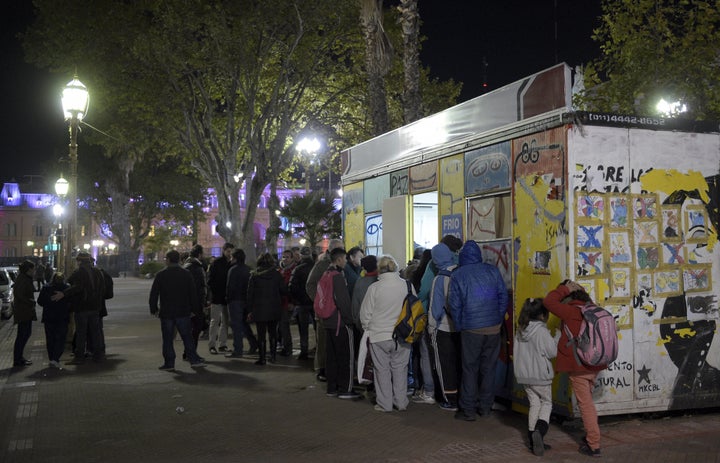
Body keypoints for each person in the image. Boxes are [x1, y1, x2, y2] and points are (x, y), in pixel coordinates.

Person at [544, 280, 605, 457]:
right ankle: (591, 438)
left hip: (579, 367)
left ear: (569, 296)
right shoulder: (591, 309)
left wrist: (563, 289)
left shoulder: (570, 311)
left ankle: (594, 444)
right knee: (588, 403)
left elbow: (548, 302)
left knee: (585, 406)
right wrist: (579, 289)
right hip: (594, 364)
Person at [449, 240, 509, 421]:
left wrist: (460, 326)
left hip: (471, 330)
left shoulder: (458, 275)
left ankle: (468, 410)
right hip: (493, 329)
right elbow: (503, 296)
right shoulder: (492, 270)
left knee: (469, 369)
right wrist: (497, 318)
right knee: (488, 369)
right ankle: (485, 407)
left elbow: (455, 305)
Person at [359, 255, 411, 412]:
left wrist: (369, 328)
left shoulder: (374, 288)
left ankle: (385, 403)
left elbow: (365, 314)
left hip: (379, 335)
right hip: (403, 335)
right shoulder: (407, 285)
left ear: (379, 270)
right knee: (400, 369)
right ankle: (401, 401)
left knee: (381, 370)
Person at [149, 250, 206, 370]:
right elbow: (192, 293)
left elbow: (154, 293)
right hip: (183, 311)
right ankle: (194, 359)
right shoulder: (186, 274)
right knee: (187, 337)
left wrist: (154, 308)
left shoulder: (161, 275)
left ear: (168, 260)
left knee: (168, 339)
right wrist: (194, 309)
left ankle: (169, 363)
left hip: (167, 311)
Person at [514, 298, 556, 456]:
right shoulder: (541, 331)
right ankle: (539, 431)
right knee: (546, 403)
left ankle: (533, 441)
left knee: (534, 404)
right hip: (540, 376)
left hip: (525, 377)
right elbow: (552, 352)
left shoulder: (521, 329)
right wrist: (556, 338)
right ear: (543, 315)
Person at [52, 252, 106, 364]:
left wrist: (63, 293)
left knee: (81, 333)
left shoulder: (79, 272)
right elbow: (102, 289)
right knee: (96, 332)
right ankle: (98, 355)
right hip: (95, 307)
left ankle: (79, 356)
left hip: (82, 307)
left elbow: (74, 285)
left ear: (80, 261)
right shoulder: (97, 272)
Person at [427, 241, 461, 411]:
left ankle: (450, 398)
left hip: (444, 328)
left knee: (444, 365)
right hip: (461, 327)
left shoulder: (440, 278)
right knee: (458, 362)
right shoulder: (460, 272)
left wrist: (431, 328)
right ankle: (462, 396)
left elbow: (435, 308)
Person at [321, 247, 359, 399]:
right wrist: (350, 320)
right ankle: (345, 388)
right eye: (344, 258)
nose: (345, 261)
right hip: (340, 323)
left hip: (328, 321)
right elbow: (343, 301)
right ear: (339, 259)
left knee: (331, 356)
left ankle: (332, 387)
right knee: (345, 357)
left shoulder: (326, 273)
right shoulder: (337, 276)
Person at [305, 238, 344, 381]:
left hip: (336, 311)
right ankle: (322, 369)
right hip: (324, 312)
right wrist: (321, 302)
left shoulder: (340, 264)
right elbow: (310, 285)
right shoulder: (322, 265)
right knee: (323, 341)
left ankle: (332, 368)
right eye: (340, 248)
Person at [248, 252, 287, 365]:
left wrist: (250, 309)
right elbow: (283, 290)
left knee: (261, 334)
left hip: (259, 309)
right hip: (274, 308)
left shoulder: (254, 275)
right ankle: (273, 356)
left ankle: (262, 358)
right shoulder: (277, 274)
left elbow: (249, 294)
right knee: (273, 333)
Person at [225, 248, 259, 358]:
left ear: (234, 258)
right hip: (246, 300)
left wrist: (228, 299)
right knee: (244, 324)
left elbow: (230, 287)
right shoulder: (248, 269)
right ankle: (253, 343)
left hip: (235, 300)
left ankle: (238, 349)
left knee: (236, 325)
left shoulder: (233, 270)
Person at [37, 272, 71, 369]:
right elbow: (71, 301)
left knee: (50, 338)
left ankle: (52, 357)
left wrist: (49, 302)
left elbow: (40, 301)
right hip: (62, 317)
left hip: (49, 317)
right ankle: (55, 358)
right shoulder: (66, 288)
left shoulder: (46, 288)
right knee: (60, 339)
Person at [289, 247, 315, 360]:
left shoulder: (298, 269)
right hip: (315, 302)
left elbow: (292, 287)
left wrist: (297, 300)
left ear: (301, 255)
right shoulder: (316, 267)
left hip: (302, 303)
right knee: (318, 327)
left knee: (302, 328)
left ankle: (304, 351)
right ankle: (319, 349)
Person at [207, 242, 234, 354]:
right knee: (215, 321)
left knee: (225, 322)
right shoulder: (217, 263)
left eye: (231, 252)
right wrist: (214, 292)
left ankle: (222, 344)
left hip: (226, 297)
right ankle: (212, 344)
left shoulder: (232, 263)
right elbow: (210, 280)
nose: (230, 254)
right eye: (228, 251)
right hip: (218, 296)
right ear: (224, 251)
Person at [184, 244, 208, 355]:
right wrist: (203, 303)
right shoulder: (197, 268)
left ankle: (187, 352)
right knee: (196, 329)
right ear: (199, 254)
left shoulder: (185, 266)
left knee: (189, 329)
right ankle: (191, 353)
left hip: (186, 303)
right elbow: (202, 288)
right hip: (196, 304)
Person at [12, 260, 36, 367]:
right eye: (33, 269)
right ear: (29, 269)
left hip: (24, 310)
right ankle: (18, 359)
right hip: (23, 311)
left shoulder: (23, 278)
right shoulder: (23, 279)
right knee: (23, 334)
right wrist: (30, 301)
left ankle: (19, 358)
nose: (34, 271)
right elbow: (19, 294)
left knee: (24, 334)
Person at [278, 249, 297, 356]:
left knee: (284, 325)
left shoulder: (293, 270)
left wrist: (292, 302)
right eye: (283, 257)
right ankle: (284, 346)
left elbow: (293, 288)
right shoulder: (282, 270)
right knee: (281, 326)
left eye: (287, 257)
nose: (285, 259)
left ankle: (288, 348)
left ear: (292, 258)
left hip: (287, 303)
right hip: (281, 302)